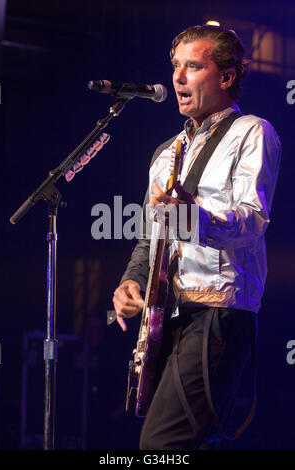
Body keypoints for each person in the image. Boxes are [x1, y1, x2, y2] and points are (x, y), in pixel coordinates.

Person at [112, 24, 281, 450]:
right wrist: (131, 280)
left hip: (218, 313)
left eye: (193, 66)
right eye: (175, 66)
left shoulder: (252, 132)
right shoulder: (165, 152)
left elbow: (252, 220)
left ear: (226, 77)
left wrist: (193, 216)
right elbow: (150, 237)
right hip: (166, 316)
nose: (178, 76)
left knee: (162, 445)